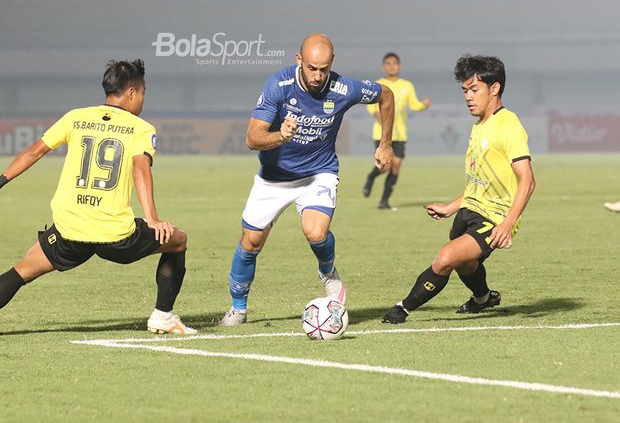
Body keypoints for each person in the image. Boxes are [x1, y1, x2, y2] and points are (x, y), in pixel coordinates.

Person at [0, 59, 196, 339]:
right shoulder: (141, 129)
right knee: (178, 240)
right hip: (116, 235)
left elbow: (33, 152)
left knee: (22, 270)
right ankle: (162, 316)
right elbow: (140, 169)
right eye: (144, 93)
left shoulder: (76, 117)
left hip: (70, 230)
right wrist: (153, 219)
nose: (144, 100)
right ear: (132, 92)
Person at [218, 34, 395, 326]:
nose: (317, 75)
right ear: (299, 60)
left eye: (323, 69)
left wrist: (385, 144)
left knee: (315, 232)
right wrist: (281, 136)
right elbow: (252, 138)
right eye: (312, 68)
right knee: (250, 243)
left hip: (318, 173)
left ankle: (327, 271)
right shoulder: (278, 86)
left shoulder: (344, 88)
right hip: (274, 178)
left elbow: (385, 94)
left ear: (332, 64)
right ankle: (238, 309)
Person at [383, 55, 536, 324]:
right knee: (467, 264)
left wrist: (507, 225)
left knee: (445, 259)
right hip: (468, 213)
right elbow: (480, 184)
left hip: (493, 219)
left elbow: (528, 180)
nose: (468, 97)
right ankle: (483, 298)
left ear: (495, 88)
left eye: (474, 90)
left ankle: (401, 309)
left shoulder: (508, 124)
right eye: (465, 90)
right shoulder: (479, 126)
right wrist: (449, 207)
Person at [363, 52, 431, 210]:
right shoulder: (378, 84)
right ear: (383, 67)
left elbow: (414, 105)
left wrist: (423, 105)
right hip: (382, 133)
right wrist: (378, 117)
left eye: (394, 63)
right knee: (385, 166)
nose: (391, 66)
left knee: (396, 165)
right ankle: (371, 177)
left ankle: (384, 201)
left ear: (399, 66)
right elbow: (371, 107)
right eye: (388, 63)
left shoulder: (407, 86)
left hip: (400, 134)